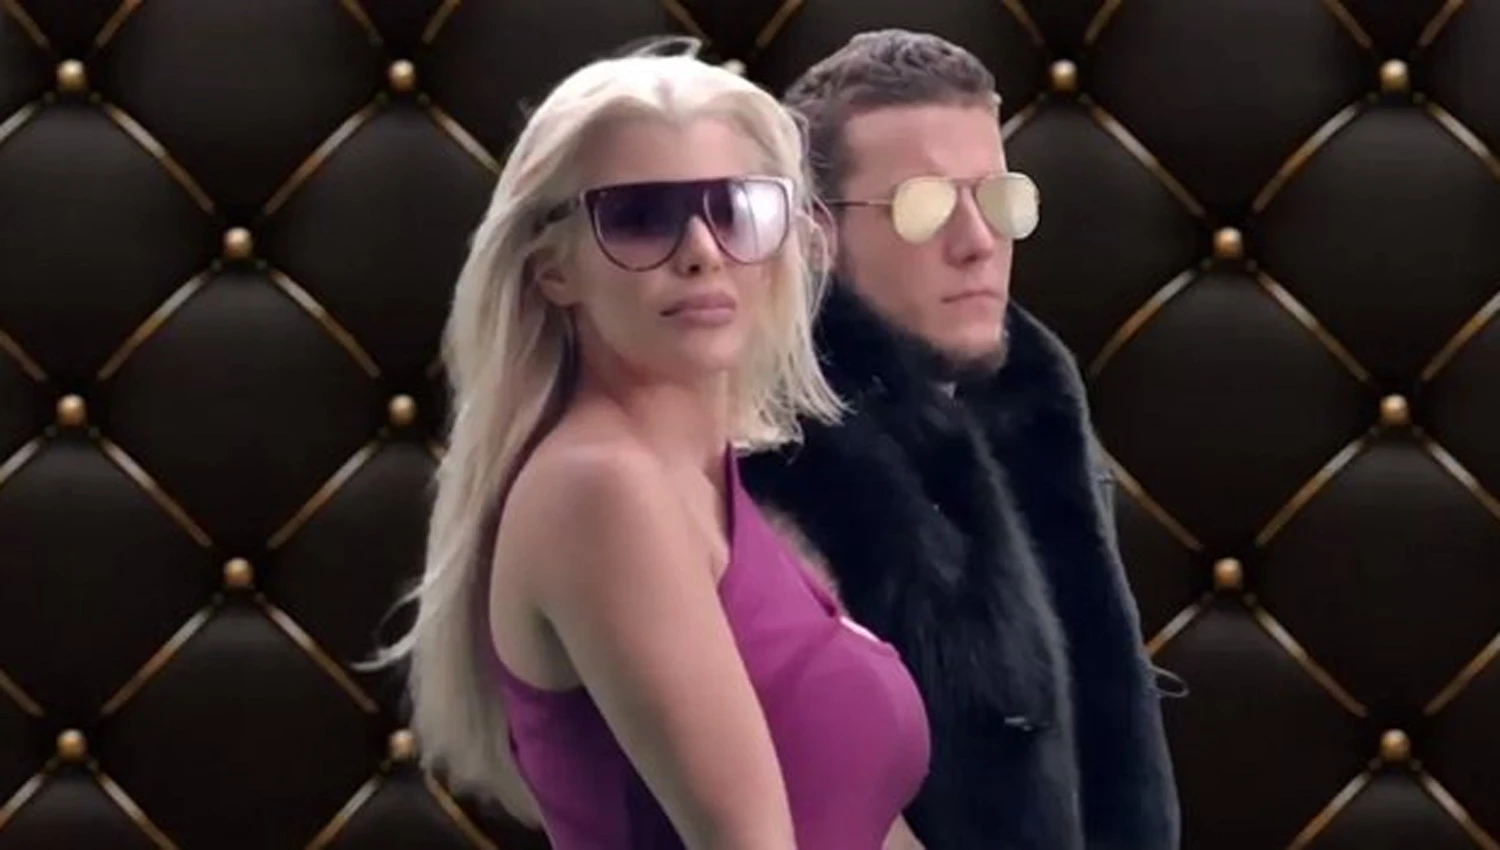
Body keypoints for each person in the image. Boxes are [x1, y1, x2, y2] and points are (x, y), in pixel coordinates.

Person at [371, 38, 931, 850]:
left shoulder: (701, 481)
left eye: (735, 208)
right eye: (639, 218)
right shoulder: (598, 490)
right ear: (552, 269)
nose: (702, 251)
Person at [739, 30, 1183, 850]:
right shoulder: (771, 466)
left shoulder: (1032, 421)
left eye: (1000, 198)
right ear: (816, 235)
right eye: (926, 206)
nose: (978, 240)